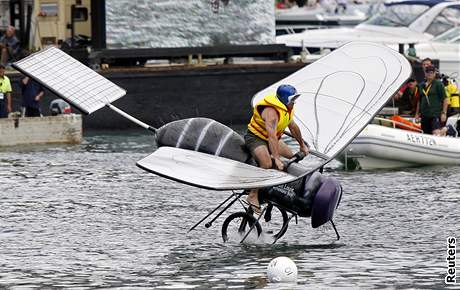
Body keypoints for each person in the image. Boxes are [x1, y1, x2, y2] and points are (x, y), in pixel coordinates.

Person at [244, 84, 309, 212]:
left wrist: (302, 145)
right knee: (266, 163)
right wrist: (277, 158)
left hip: (273, 139)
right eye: (292, 99)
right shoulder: (271, 112)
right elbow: (272, 137)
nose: (294, 102)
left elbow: (293, 127)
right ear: (285, 99)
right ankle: (253, 194)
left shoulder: (287, 109)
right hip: (256, 138)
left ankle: (276, 190)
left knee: (291, 158)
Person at [415, 65, 448, 136]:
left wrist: (444, 113)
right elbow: (419, 100)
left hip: (435, 114)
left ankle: (448, 128)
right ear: (425, 73)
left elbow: (445, 99)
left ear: (434, 74)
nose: (430, 74)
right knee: (426, 135)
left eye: (431, 72)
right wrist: (417, 114)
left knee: (436, 133)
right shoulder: (421, 85)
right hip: (424, 115)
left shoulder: (438, 84)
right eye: (428, 72)